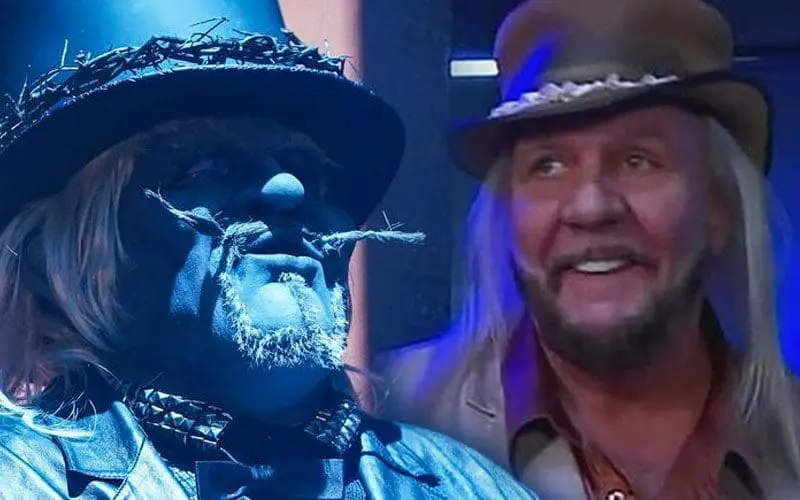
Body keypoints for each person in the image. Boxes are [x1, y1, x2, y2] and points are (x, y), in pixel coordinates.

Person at [0, 13, 537, 500]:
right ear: (56, 259)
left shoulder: (471, 488)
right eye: (203, 168)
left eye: (308, 170)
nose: (288, 189)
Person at [378, 0, 800, 498]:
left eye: (639, 160)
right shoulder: (383, 417)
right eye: (549, 165)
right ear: (508, 215)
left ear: (718, 209)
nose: (591, 207)